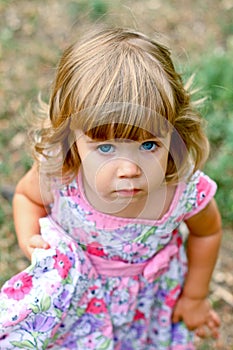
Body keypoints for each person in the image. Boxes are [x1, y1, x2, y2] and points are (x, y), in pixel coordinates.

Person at [0, 27, 222, 349]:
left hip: (147, 308)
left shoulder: (181, 189)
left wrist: (196, 296)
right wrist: (29, 240)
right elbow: (26, 196)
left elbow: (207, 232)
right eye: (105, 148)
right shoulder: (61, 171)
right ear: (72, 138)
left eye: (148, 145)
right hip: (76, 306)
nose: (129, 169)